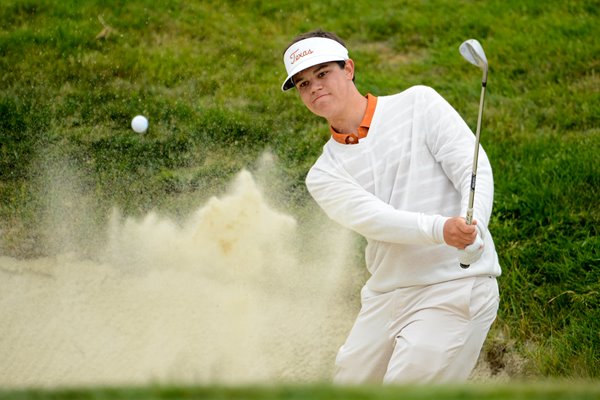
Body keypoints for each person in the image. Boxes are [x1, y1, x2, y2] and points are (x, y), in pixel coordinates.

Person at [280, 29, 501, 384]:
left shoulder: (419, 104)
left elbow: (471, 167)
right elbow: (376, 219)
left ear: (348, 68)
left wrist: (476, 226)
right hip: (386, 296)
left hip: (455, 286)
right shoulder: (323, 174)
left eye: (323, 74)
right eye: (304, 83)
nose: (315, 87)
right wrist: (441, 229)